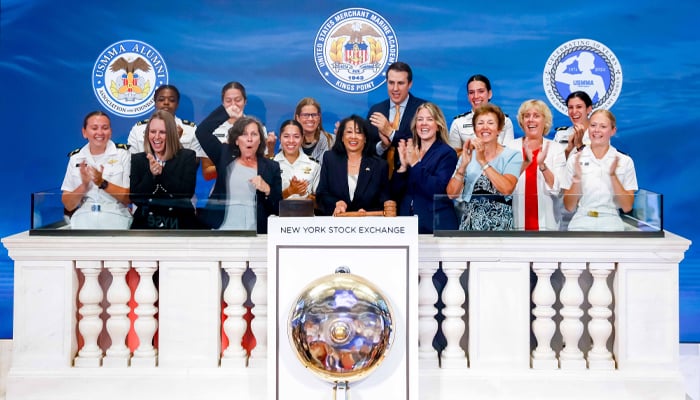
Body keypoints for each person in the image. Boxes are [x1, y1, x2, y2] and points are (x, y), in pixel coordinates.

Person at [195, 104, 281, 233]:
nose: (249, 139)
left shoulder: (271, 167)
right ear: (236, 140)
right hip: (222, 227)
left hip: (255, 231)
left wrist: (268, 190)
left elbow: (278, 207)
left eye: (254, 134)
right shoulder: (224, 155)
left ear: (260, 140)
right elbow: (202, 132)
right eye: (244, 134)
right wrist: (225, 113)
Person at [446, 104, 521, 231]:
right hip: (470, 223)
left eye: (490, 123)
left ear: (499, 129)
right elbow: (451, 194)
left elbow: (507, 189)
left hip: (500, 224)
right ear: (475, 130)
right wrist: (463, 166)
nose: (485, 127)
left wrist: (482, 161)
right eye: (480, 123)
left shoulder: (512, 155)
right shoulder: (467, 155)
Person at [562, 109, 637, 231]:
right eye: (593, 125)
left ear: (613, 131)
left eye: (603, 126)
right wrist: (577, 179)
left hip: (611, 224)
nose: (596, 130)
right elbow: (569, 207)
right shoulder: (575, 160)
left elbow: (627, 207)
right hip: (581, 223)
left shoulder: (624, 161)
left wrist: (613, 176)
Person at [391, 102, 458, 233]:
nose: (423, 123)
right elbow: (394, 193)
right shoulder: (409, 150)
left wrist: (416, 164)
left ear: (438, 125)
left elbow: (438, 190)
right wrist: (403, 168)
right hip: (408, 225)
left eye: (429, 119)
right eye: (420, 119)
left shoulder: (447, 153)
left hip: (436, 225)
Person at [61, 111, 132, 229]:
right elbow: (68, 205)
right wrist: (84, 186)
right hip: (83, 218)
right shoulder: (76, 157)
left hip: (116, 217)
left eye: (105, 128)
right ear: (84, 132)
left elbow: (128, 199)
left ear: (110, 132)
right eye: (94, 128)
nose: (100, 132)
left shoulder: (123, 154)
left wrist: (102, 183)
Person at [130, 110, 199, 229]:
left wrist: (162, 173)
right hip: (147, 224)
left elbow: (186, 193)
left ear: (172, 134)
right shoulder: (139, 159)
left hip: (179, 223)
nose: (156, 137)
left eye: (162, 132)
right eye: (152, 132)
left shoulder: (187, 156)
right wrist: (151, 175)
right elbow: (136, 198)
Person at [508, 100, 567, 231]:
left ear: (545, 121)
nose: (531, 120)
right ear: (522, 121)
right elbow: (506, 187)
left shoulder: (555, 148)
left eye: (536, 115)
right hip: (517, 225)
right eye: (527, 116)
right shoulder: (511, 147)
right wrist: (525, 164)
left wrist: (542, 166)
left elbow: (558, 190)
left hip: (548, 225)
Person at [126, 85, 210, 177]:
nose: (166, 103)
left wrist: (175, 142)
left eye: (172, 100)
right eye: (161, 99)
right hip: (147, 183)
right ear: (155, 103)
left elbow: (194, 164)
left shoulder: (191, 130)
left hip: (178, 184)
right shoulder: (138, 129)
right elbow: (132, 163)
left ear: (177, 104)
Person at [316, 115, 390, 216]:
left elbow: (384, 201)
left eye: (359, 132)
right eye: (349, 132)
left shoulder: (379, 165)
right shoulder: (330, 159)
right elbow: (321, 194)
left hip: (368, 226)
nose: (353, 136)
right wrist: (336, 203)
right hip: (336, 225)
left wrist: (368, 213)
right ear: (342, 137)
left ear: (365, 138)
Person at [203, 81, 277, 180]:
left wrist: (271, 151)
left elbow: (266, 171)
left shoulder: (259, 128)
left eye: (238, 100)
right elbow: (207, 174)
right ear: (222, 103)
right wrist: (231, 161)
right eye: (228, 100)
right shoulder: (212, 130)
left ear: (245, 101)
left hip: (253, 189)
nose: (233, 105)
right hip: (223, 190)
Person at [366, 61, 427, 177]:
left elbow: (423, 142)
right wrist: (383, 146)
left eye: (400, 83)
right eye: (391, 83)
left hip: (412, 180)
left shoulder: (423, 109)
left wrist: (390, 133)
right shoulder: (376, 110)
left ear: (410, 84)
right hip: (380, 182)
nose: (395, 88)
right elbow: (368, 149)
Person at [448, 74, 514, 153]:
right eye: (471, 92)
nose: (476, 96)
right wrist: (470, 150)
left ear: (489, 94)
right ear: (468, 96)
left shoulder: (505, 121)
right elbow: (453, 156)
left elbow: (509, 154)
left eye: (481, 91)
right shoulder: (458, 123)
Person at [273, 119, 320, 200]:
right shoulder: (271, 165)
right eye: (286, 136)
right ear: (280, 138)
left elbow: (321, 203)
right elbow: (267, 202)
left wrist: (305, 194)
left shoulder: (313, 165)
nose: (291, 141)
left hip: (306, 212)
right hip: (278, 213)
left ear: (302, 139)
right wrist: (289, 191)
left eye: (296, 137)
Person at [553, 91, 593, 159]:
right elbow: (553, 163)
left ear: (589, 109)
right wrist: (568, 150)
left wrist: (580, 146)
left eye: (579, 107)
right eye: (570, 107)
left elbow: (599, 165)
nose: (574, 112)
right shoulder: (561, 134)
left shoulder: (598, 134)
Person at [294, 97, 334, 166]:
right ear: (298, 118)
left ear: (319, 118)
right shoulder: (288, 142)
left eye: (314, 115)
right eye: (306, 115)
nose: (310, 118)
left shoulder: (332, 141)